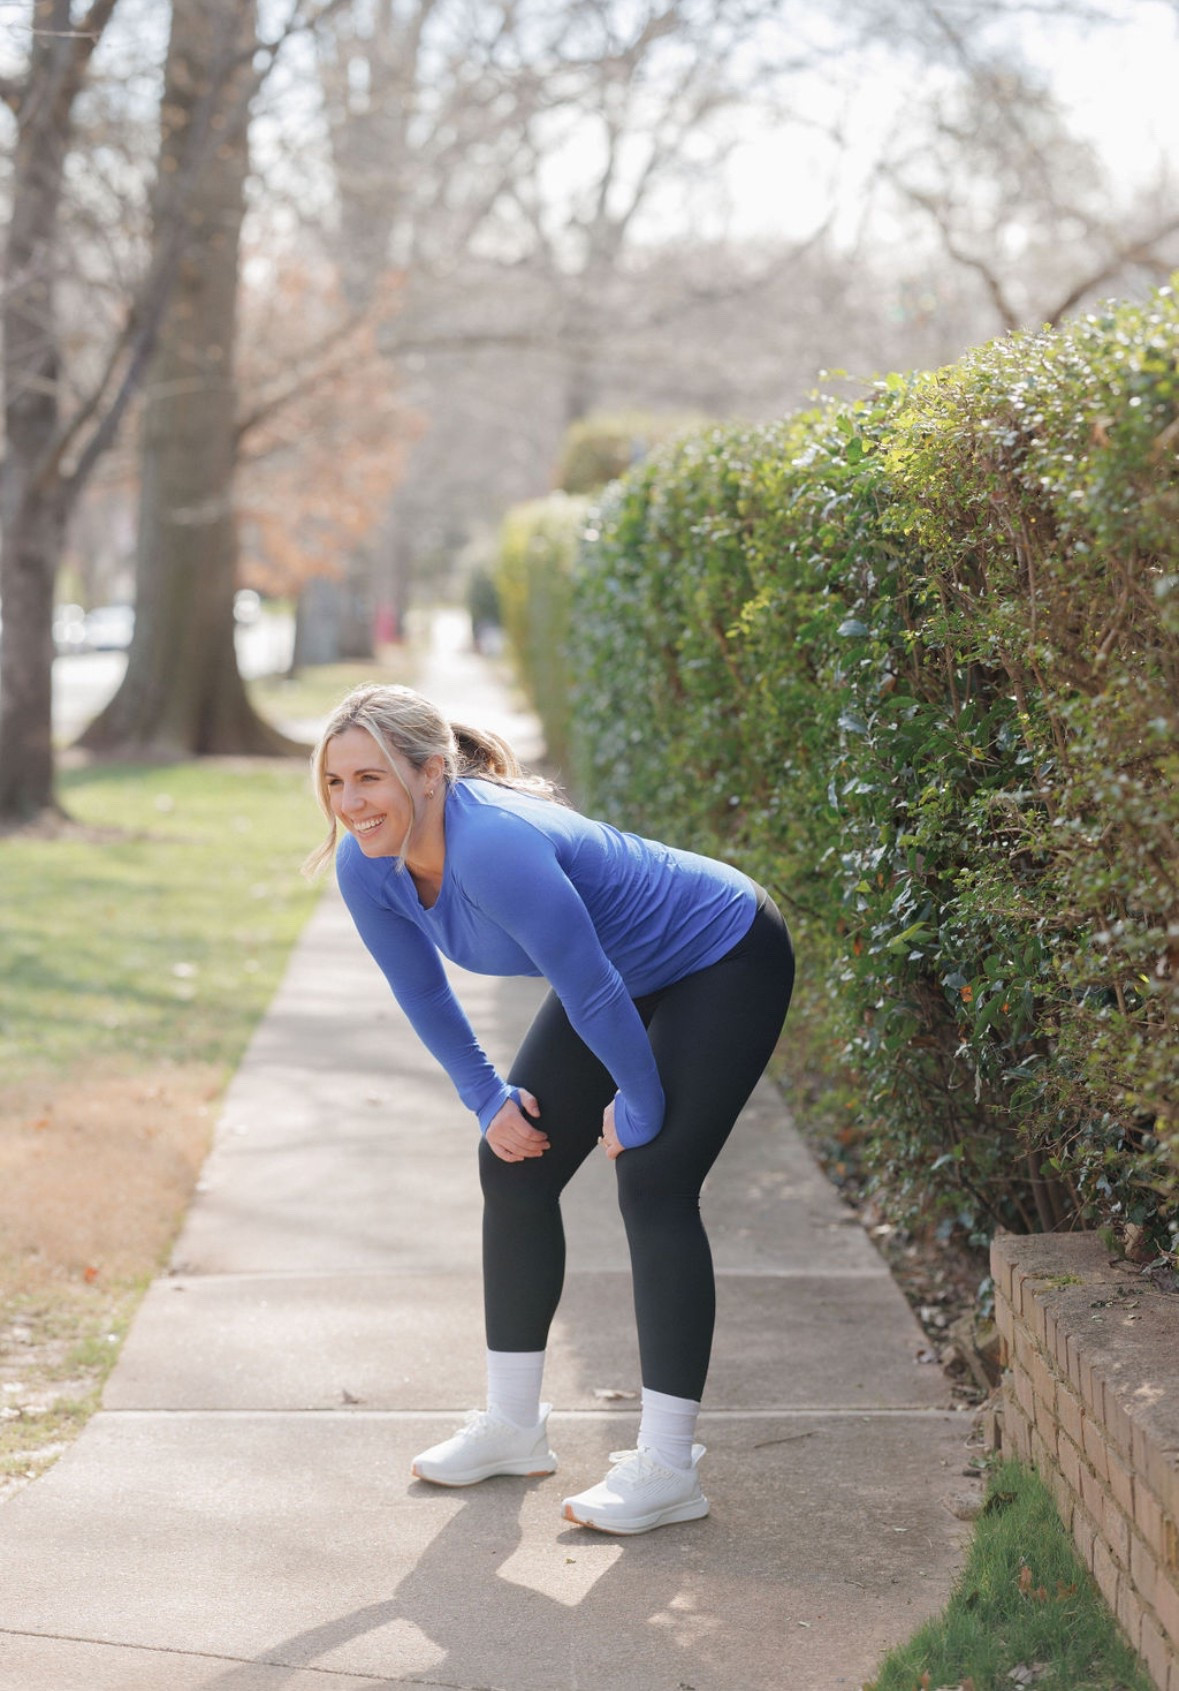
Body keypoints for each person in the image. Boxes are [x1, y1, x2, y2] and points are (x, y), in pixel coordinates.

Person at [306, 684, 794, 1534]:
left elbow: (595, 988)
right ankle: (513, 1425)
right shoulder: (367, 865)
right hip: (615, 977)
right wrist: (487, 1099)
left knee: (653, 1178)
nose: (352, 804)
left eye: (370, 779)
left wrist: (638, 1103)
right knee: (513, 1159)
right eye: (336, 782)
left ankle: (669, 1466)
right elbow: (421, 992)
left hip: (721, 951)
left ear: (428, 775)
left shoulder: (492, 846)